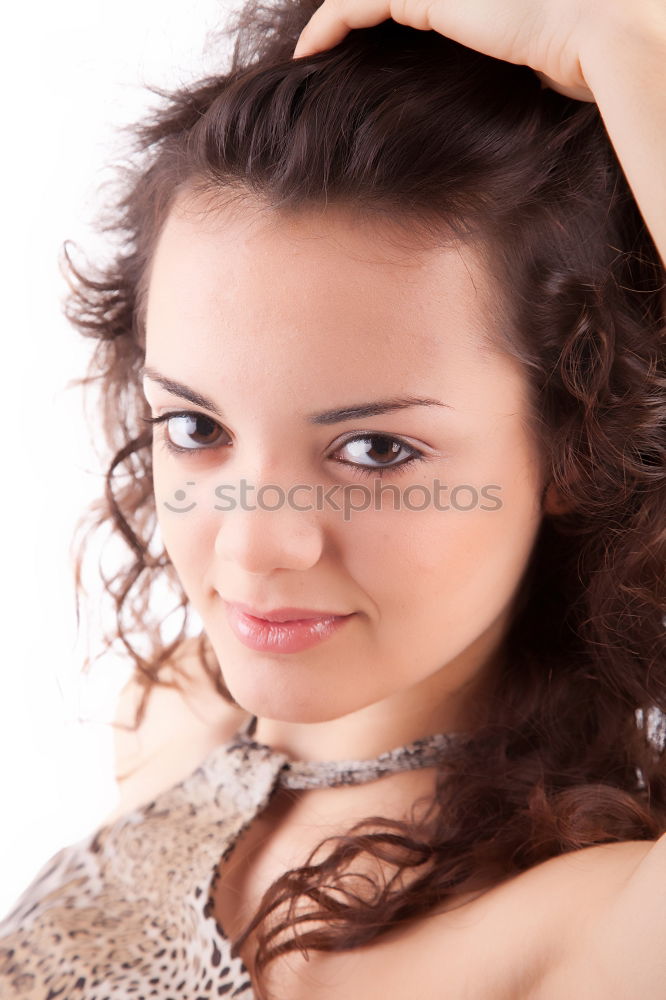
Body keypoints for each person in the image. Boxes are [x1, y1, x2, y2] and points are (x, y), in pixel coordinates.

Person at [1, 0, 664, 997]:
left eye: (375, 448)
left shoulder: (597, 929)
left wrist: (628, 45)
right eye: (196, 427)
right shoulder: (174, 714)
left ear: (574, 445)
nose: (254, 549)